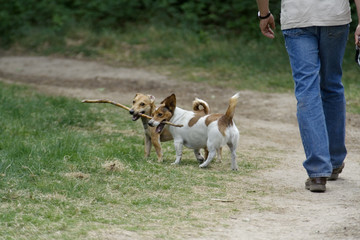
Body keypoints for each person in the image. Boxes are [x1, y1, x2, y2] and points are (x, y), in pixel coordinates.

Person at [256, 0, 360, 192]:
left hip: (298, 17)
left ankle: (318, 171)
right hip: (334, 15)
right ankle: (334, 161)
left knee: (307, 89)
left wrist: (264, 13)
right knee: (332, 85)